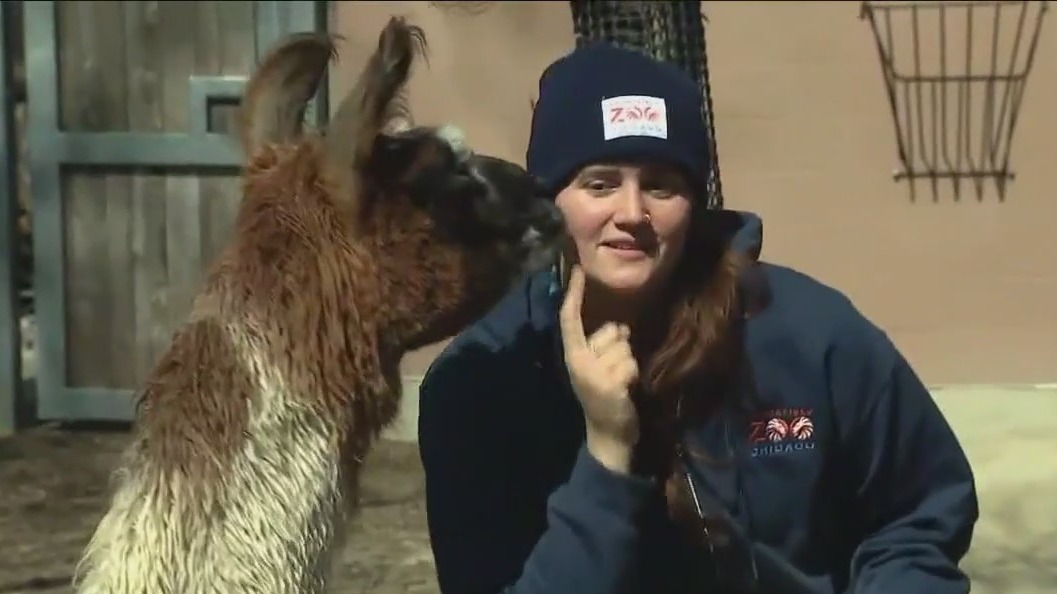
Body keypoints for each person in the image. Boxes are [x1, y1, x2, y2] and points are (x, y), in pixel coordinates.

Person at [416, 42, 979, 594]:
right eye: (600, 183)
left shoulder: (807, 335)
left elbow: (918, 513)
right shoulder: (478, 385)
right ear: (551, 200)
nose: (632, 213)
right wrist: (606, 455)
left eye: (661, 185)